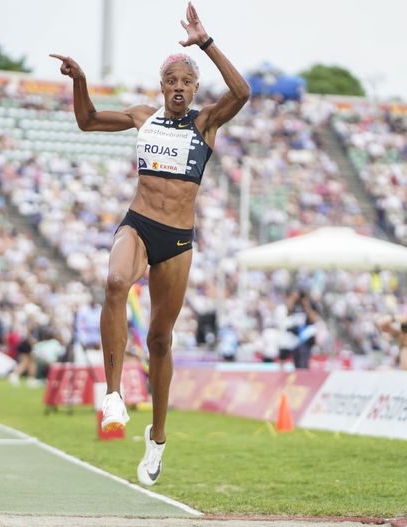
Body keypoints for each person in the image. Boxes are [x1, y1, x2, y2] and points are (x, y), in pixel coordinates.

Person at [51, 1, 249, 486]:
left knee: (161, 339)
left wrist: (205, 42)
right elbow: (88, 121)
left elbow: (242, 92)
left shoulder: (207, 124)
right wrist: (79, 81)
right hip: (138, 223)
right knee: (115, 281)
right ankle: (114, 395)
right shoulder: (144, 118)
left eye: (186, 82)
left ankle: (157, 438)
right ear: (161, 88)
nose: (178, 88)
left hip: (178, 240)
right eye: (171, 82)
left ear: (194, 88)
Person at [285, 289, 321, 369]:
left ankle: (304, 377)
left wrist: (306, 305)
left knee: (304, 359)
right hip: (295, 336)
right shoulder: (295, 304)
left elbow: (313, 319)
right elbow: (288, 313)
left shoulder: (310, 304)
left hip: (305, 336)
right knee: (296, 360)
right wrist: (292, 299)